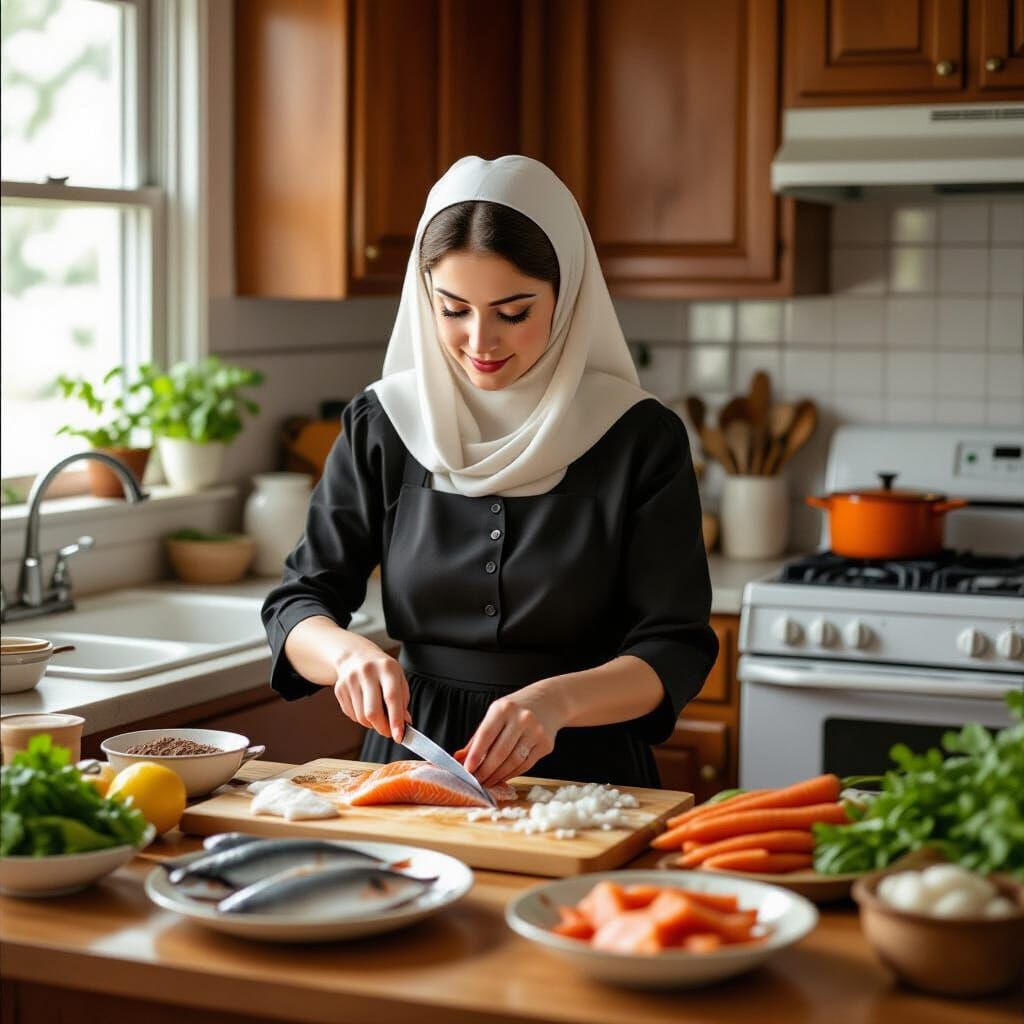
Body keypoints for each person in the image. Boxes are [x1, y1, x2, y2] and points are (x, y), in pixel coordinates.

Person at [261, 155, 718, 789]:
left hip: (585, 778)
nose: (480, 342)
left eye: (513, 312)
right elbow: (297, 602)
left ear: (568, 296)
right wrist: (347, 656)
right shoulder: (385, 423)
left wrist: (557, 704)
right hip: (410, 765)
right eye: (452, 310)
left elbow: (675, 646)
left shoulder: (637, 436)